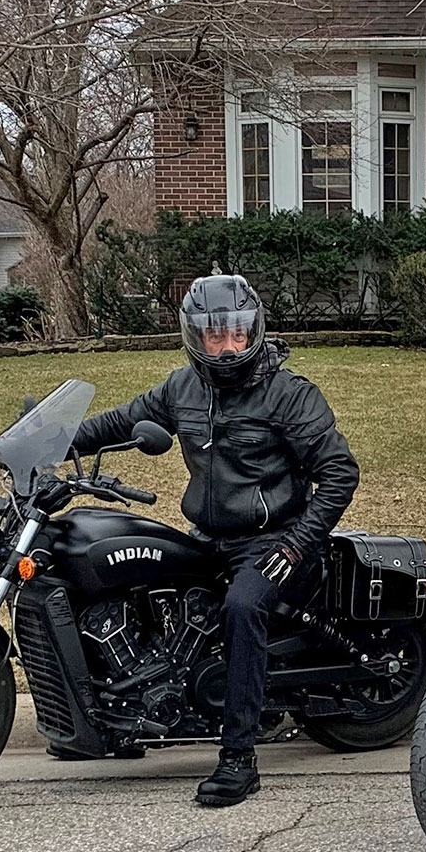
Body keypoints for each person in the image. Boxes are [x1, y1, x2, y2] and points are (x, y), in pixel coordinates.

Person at [71, 274, 359, 807]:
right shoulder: (183, 388)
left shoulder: (288, 394)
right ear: (195, 336)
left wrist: (295, 544)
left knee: (242, 607)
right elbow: (123, 420)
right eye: (215, 335)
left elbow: (339, 473)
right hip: (209, 535)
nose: (228, 347)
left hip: (276, 540)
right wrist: (56, 441)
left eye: (238, 335)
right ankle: (115, 720)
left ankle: (239, 758)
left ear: (253, 332)